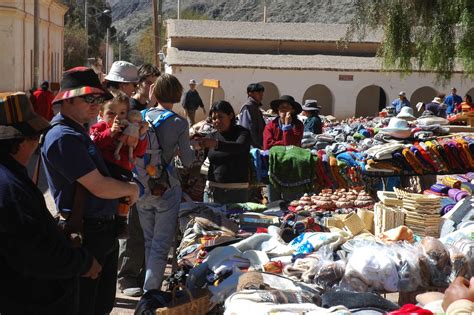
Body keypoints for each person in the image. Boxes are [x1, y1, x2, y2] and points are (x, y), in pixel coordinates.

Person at [41, 67, 140, 315]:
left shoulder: (78, 132)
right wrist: (130, 189)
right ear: (68, 99)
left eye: (99, 99)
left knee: (99, 305)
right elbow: (97, 185)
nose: (96, 104)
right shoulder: (64, 136)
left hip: (99, 230)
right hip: (86, 233)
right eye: (89, 98)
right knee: (84, 306)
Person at [0, 92, 102, 315]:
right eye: (34, 137)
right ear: (18, 142)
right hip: (26, 301)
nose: (36, 144)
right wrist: (82, 262)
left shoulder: (11, 178)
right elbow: (34, 254)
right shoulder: (10, 188)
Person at [136, 74, 195, 291]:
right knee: (161, 247)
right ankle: (150, 294)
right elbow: (188, 161)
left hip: (142, 187)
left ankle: (147, 290)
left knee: (149, 241)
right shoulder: (179, 122)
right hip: (166, 187)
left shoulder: (142, 116)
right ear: (178, 94)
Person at [107, 61, 146, 297]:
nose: (135, 89)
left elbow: (138, 150)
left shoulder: (129, 109)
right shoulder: (110, 108)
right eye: (133, 85)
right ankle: (122, 277)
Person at [90, 92, 148, 240]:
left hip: (124, 170)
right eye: (111, 113)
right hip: (106, 170)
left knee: (125, 199)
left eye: (122, 113)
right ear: (101, 113)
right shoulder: (99, 127)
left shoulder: (129, 129)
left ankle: (121, 220)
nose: (117, 117)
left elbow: (139, 152)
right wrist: (110, 132)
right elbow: (94, 143)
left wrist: (141, 136)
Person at [199, 100, 251, 204]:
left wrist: (216, 144)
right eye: (214, 118)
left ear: (230, 115)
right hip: (213, 190)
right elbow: (204, 160)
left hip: (237, 191)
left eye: (220, 117)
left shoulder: (242, 133)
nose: (217, 121)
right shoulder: (211, 136)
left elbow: (239, 147)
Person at [239, 83, 266, 149]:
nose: (261, 95)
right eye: (258, 93)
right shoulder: (247, 107)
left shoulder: (256, 107)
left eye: (262, 93)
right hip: (251, 146)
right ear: (250, 93)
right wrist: (257, 145)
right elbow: (247, 129)